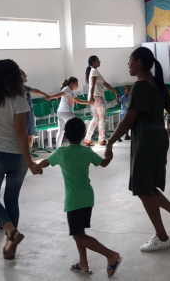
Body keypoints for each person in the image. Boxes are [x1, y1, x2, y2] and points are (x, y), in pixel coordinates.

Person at [105, 47, 170, 252]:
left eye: (130, 60)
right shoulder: (158, 84)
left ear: (139, 62)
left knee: (142, 188)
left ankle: (162, 237)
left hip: (146, 141)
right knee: (147, 187)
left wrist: (110, 142)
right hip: (157, 139)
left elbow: (128, 120)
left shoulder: (140, 86)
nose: (128, 64)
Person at [0, 59, 42, 260]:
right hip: (18, 158)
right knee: (11, 199)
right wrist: (29, 162)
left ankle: (11, 232)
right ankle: (10, 243)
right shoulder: (19, 99)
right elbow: (21, 133)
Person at [36, 118, 121, 276]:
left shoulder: (62, 152)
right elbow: (103, 163)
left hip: (74, 200)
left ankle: (111, 255)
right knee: (79, 232)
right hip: (87, 197)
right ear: (83, 135)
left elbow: (45, 162)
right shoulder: (87, 151)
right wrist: (109, 155)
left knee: (78, 234)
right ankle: (83, 263)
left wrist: (36, 167)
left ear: (66, 135)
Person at [46, 77, 93, 149]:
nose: (78, 86)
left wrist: (89, 102)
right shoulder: (66, 89)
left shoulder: (70, 91)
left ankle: (58, 148)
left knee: (61, 131)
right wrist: (50, 96)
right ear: (72, 84)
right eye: (77, 84)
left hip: (61, 113)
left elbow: (78, 101)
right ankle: (76, 146)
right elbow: (59, 94)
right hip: (67, 113)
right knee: (75, 129)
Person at [84, 56, 120, 146]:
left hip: (94, 97)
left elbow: (104, 83)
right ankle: (102, 139)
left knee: (96, 119)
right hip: (98, 97)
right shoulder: (94, 71)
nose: (100, 61)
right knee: (102, 118)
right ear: (93, 62)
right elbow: (92, 85)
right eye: (97, 60)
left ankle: (87, 139)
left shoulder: (94, 71)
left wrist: (114, 91)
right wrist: (92, 96)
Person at [20, 69, 51, 148]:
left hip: (29, 113)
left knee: (31, 134)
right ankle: (24, 156)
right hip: (22, 114)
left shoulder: (24, 87)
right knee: (25, 135)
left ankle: (29, 154)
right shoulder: (16, 89)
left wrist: (45, 94)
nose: (26, 76)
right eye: (24, 75)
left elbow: (34, 90)